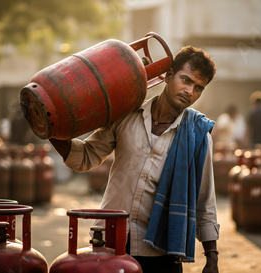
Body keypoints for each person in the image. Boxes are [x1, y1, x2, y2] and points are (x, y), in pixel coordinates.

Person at [49, 46, 219, 273]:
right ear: (168, 76)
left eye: (198, 88)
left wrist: (212, 258)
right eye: (185, 80)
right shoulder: (127, 114)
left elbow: (204, 201)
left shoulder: (198, 135)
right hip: (110, 240)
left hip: (161, 249)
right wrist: (48, 126)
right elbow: (86, 156)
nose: (190, 91)